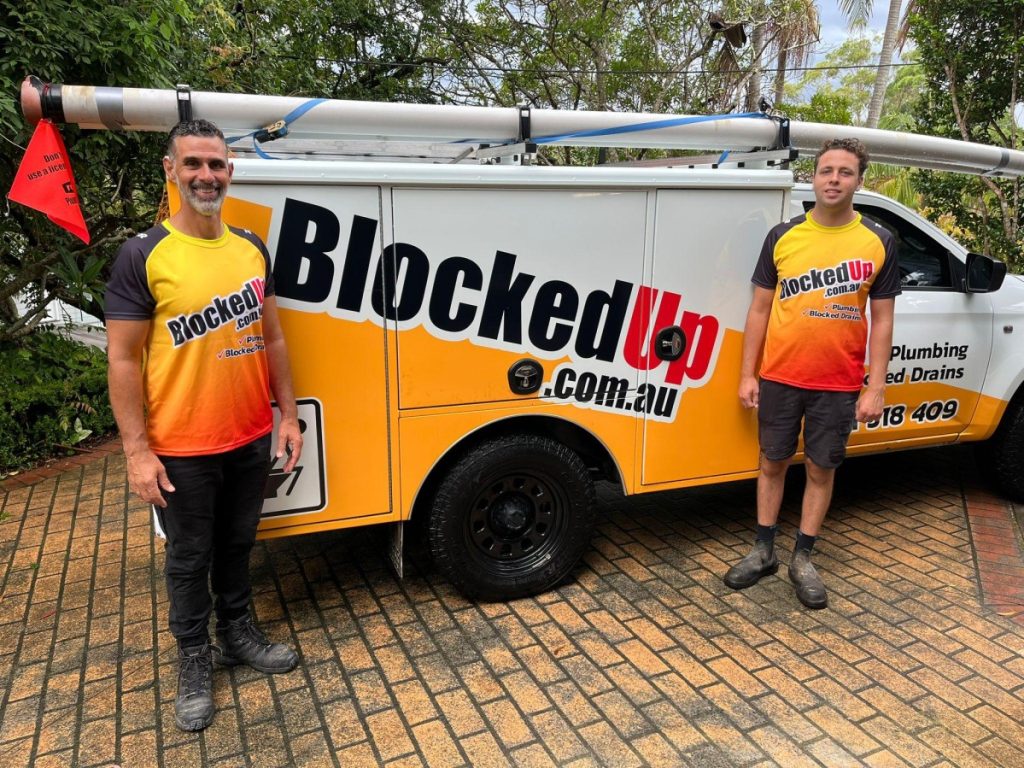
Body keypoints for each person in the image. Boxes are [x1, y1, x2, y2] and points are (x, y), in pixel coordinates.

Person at [106, 119, 303, 731]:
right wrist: (138, 453)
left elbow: (272, 336)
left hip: (247, 438)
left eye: (216, 164)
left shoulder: (250, 247)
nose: (206, 175)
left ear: (230, 172)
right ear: (171, 170)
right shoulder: (144, 255)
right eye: (193, 163)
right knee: (189, 559)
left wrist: (288, 416)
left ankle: (238, 633)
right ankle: (195, 658)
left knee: (239, 544)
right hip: (182, 448)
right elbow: (122, 359)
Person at [724, 137, 900, 609]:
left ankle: (803, 558)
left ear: (859, 180)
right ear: (814, 177)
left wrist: (875, 386)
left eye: (845, 172)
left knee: (821, 470)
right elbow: (759, 310)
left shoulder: (879, 241)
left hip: (839, 384)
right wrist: (748, 374)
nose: (834, 179)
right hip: (781, 376)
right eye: (826, 171)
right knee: (771, 462)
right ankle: (763, 552)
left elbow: (882, 319)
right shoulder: (783, 236)